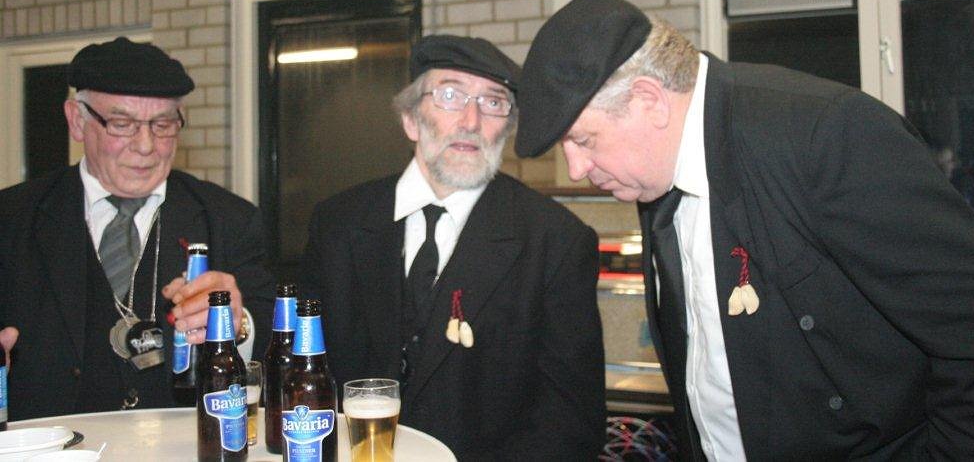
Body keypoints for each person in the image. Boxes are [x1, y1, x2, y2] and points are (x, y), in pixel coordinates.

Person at [514, 0, 974, 461]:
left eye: (584, 140)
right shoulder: (656, 175)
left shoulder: (824, 136)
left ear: (649, 100)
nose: (576, 169)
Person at [303, 35, 606, 460]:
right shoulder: (337, 224)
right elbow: (303, 373)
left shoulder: (555, 241)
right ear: (411, 119)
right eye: (450, 95)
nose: (471, 120)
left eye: (494, 102)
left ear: (508, 128)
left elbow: (570, 424)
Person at [0, 37, 275, 420]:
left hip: (183, 444)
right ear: (77, 120)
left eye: (163, 124)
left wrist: (239, 324)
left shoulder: (229, 218)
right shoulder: (11, 218)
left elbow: (275, 346)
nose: (146, 146)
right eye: (122, 124)